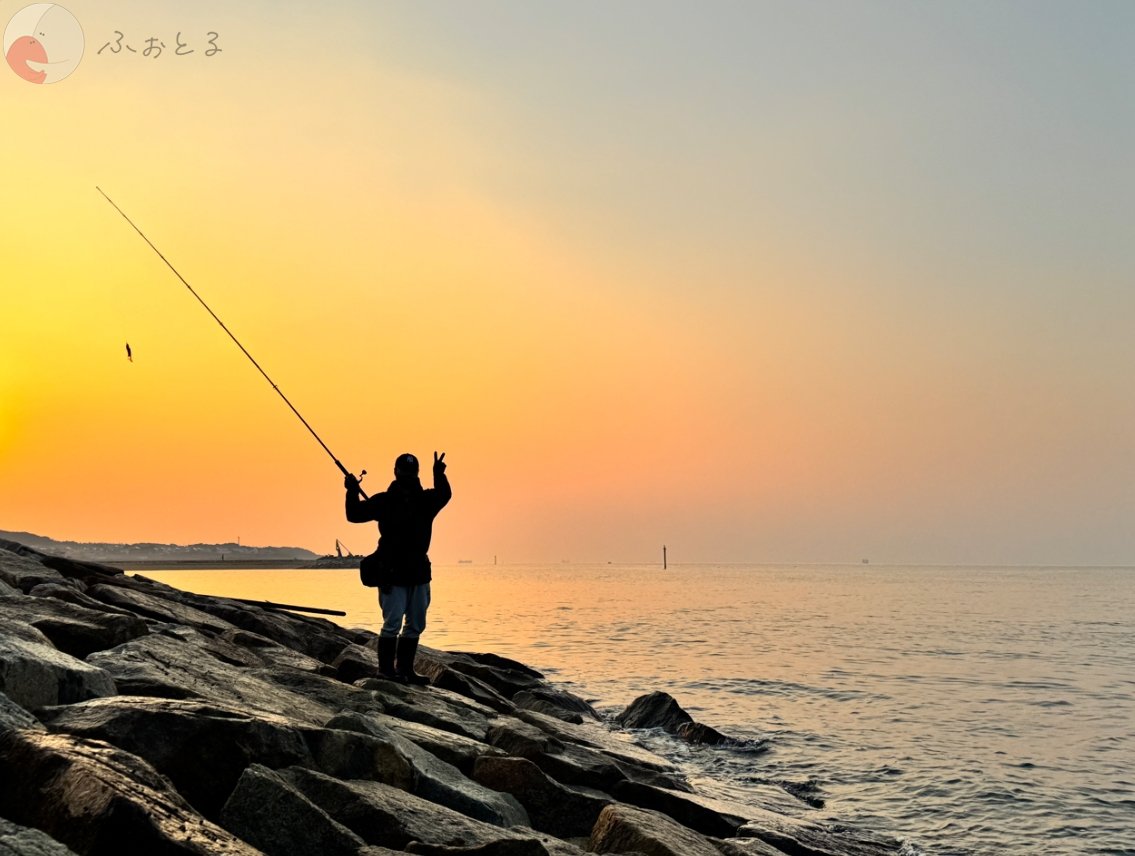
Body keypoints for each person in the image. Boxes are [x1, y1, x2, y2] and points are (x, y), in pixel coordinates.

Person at [345, 451, 451, 684]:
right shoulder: (394, 501)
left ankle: (405, 670)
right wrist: (438, 474)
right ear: (398, 472)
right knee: (395, 624)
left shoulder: (414, 500)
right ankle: (386, 671)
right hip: (392, 573)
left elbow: (353, 513)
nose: (407, 476)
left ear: (397, 472)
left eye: (409, 472)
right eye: (406, 472)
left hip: (417, 573)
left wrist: (352, 490)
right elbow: (353, 515)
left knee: (414, 624)